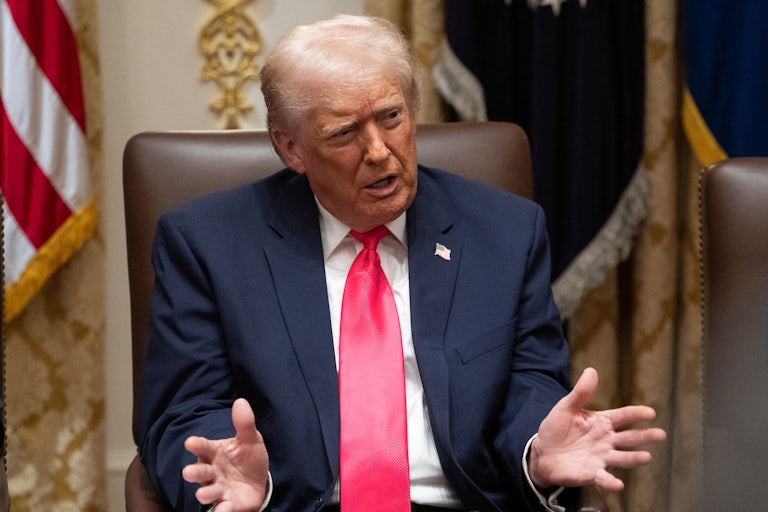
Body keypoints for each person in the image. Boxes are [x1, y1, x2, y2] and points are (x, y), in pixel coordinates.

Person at [136, 14, 666, 512]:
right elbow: (184, 411)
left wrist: (535, 453)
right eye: (344, 132)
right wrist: (236, 480)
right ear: (291, 148)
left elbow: (530, 383)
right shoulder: (208, 245)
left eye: (392, 117)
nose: (378, 151)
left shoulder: (505, 232)